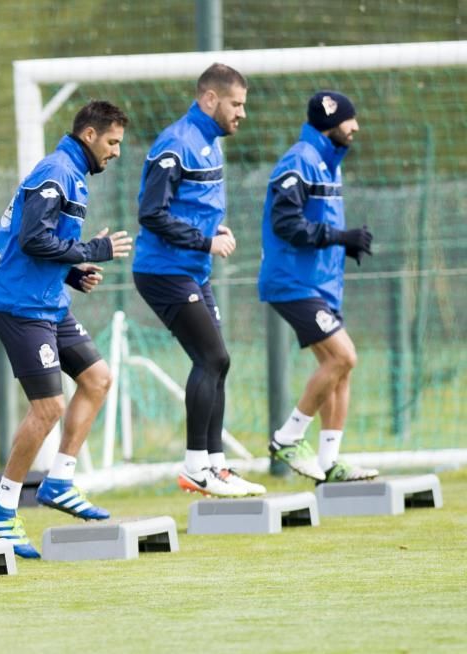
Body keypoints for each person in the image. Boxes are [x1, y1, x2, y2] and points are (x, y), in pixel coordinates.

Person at [0, 100, 132, 559]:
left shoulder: (72, 172)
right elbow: (31, 237)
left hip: (48, 301)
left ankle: (60, 481)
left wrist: (70, 272)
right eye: (112, 142)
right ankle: (3, 505)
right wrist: (93, 248)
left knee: (98, 377)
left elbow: (39, 245)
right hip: (20, 305)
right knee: (48, 408)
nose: (116, 151)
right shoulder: (57, 171)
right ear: (89, 134)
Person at [132, 63, 265, 498]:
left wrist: (216, 229)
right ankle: (195, 467)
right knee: (211, 358)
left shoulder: (210, 142)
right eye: (236, 104)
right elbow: (152, 212)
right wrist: (205, 241)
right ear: (210, 99)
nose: (242, 113)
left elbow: (195, 204)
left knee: (218, 361)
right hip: (163, 271)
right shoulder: (177, 143)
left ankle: (216, 467)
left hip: (191, 270)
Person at [260, 91, 378, 483]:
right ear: (331, 122)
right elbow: (286, 223)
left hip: (320, 285)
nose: (355, 126)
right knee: (343, 358)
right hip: (292, 284)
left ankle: (329, 463)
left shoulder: (330, 165)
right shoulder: (300, 161)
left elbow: (315, 225)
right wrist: (340, 237)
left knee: (339, 370)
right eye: (349, 119)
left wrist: (341, 248)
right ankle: (288, 437)